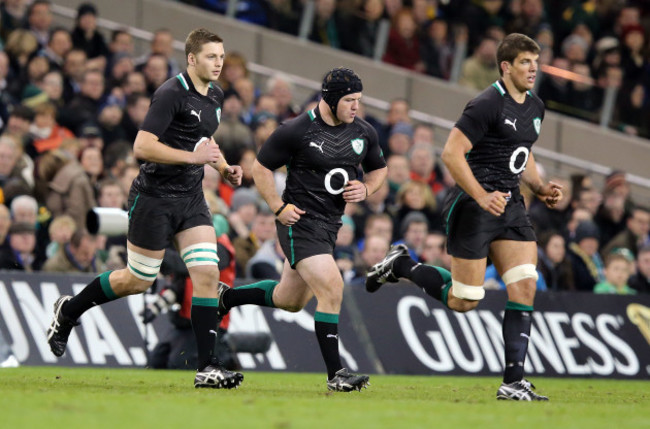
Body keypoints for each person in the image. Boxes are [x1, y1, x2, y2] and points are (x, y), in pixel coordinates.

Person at [366, 34, 562, 401]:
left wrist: (538, 186)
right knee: (464, 299)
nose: (533, 68)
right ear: (505, 66)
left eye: (535, 61)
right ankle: (403, 265)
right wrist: (481, 195)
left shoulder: (535, 105)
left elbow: (523, 151)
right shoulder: (486, 103)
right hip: (475, 204)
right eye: (525, 62)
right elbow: (452, 153)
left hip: (511, 204)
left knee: (524, 285)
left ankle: (512, 381)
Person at [46, 28, 244, 389]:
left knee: (206, 274)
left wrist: (222, 166)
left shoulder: (215, 94)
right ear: (191, 58)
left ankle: (208, 366)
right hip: (153, 197)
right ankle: (69, 310)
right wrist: (193, 157)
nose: (218, 63)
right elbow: (142, 146)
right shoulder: (170, 93)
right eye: (211, 56)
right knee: (138, 279)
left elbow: (205, 137)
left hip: (191, 198)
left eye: (221, 56)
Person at [217, 67, 387, 392]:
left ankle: (229, 298)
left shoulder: (363, 132)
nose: (356, 107)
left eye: (358, 100)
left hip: (330, 226)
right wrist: (278, 208)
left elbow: (379, 169)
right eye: (350, 100)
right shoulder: (296, 129)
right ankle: (336, 374)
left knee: (289, 300)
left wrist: (366, 189)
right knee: (332, 288)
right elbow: (261, 168)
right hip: (299, 223)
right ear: (332, 98)